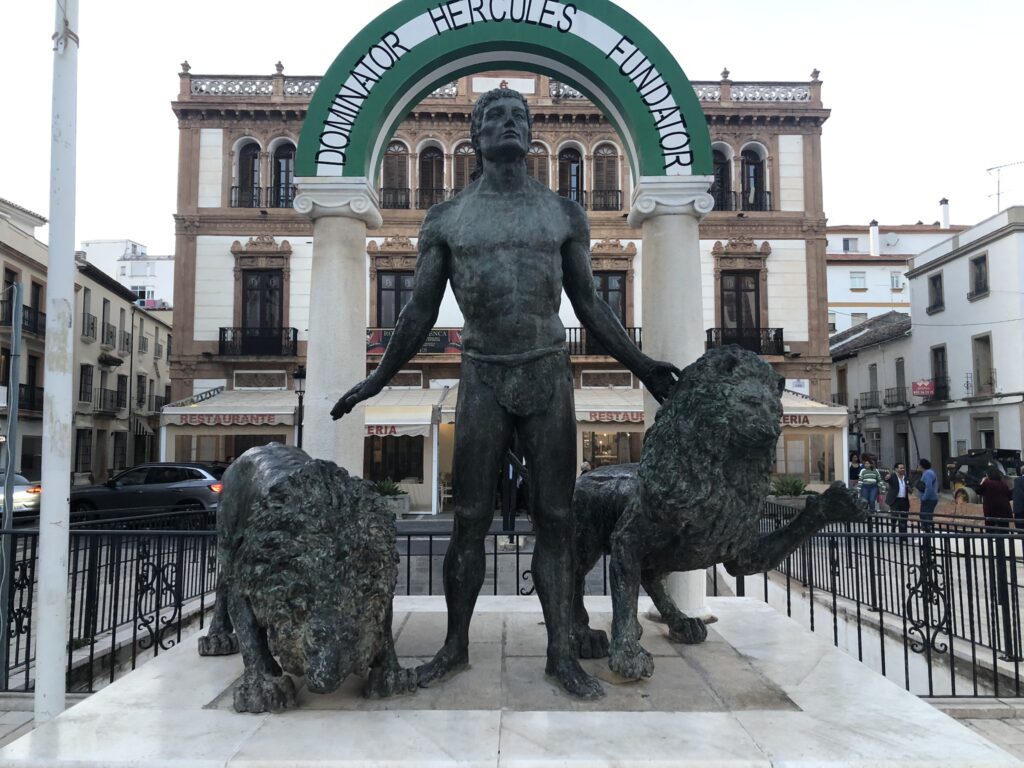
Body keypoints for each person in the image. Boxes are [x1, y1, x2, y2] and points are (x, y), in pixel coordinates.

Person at [331, 89, 678, 699]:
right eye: (496, 115)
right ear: (475, 135)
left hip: (546, 371)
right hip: (483, 372)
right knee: (467, 520)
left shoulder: (563, 213)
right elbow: (416, 312)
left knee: (557, 519)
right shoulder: (446, 218)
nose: (509, 122)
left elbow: (591, 305)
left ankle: (561, 654)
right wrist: (377, 379)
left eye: (519, 116)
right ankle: (454, 647)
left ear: (530, 134)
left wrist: (644, 365)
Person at [884, 462, 912, 532]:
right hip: (895, 500)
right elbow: (887, 479)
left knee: (904, 516)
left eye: (903, 468)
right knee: (895, 515)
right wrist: (887, 477)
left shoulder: (906, 477)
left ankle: (903, 532)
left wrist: (909, 488)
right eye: (900, 468)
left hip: (904, 500)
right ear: (896, 469)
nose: (902, 469)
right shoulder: (893, 476)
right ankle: (893, 529)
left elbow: (910, 488)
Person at [917, 458, 939, 531]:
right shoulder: (928, 473)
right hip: (930, 499)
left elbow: (928, 487)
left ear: (921, 466)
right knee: (926, 516)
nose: (918, 466)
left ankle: (927, 535)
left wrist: (924, 498)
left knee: (925, 517)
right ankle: (927, 534)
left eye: (919, 465)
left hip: (929, 499)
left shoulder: (928, 473)